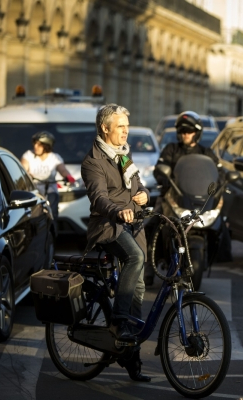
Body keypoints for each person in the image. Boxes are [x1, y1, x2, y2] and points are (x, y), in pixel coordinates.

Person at [81, 103, 151, 382]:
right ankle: (119, 322)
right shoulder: (93, 161)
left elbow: (138, 185)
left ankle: (129, 357)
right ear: (105, 128)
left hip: (133, 225)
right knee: (135, 259)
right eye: (120, 126)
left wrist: (144, 194)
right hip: (108, 226)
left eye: (127, 126)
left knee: (139, 289)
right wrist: (117, 210)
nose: (126, 131)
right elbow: (99, 198)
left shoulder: (123, 155)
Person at [145, 111, 228, 286]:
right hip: (173, 198)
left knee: (225, 223)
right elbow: (160, 169)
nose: (185, 134)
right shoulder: (171, 150)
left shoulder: (207, 153)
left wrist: (222, 183)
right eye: (182, 131)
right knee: (153, 223)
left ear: (196, 133)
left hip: (200, 201)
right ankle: (148, 268)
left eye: (189, 131)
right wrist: (163, 177)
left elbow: (219, 173)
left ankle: (221, 254)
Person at [21, 131, 75, 221]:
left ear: (47, 146)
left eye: (39, 145)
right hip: (34, 190)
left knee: (52, 212)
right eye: (35, 144)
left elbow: (62, 170)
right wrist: (27, 173)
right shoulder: (28, 155)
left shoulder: (54, 157)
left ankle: (53, 228)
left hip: (50, 190)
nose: (35, 146)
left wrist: (68, 177)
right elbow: (24, 167)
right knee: (33, 214)